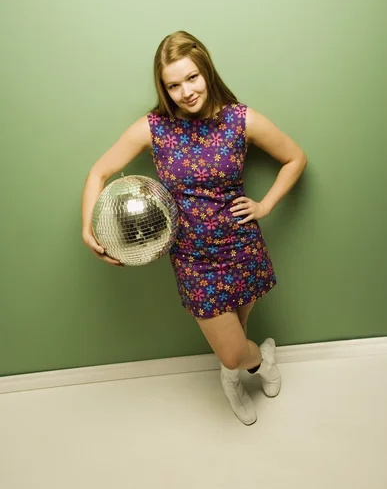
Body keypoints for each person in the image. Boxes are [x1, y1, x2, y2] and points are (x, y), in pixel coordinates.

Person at [82, 30, 307, 426]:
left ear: (206, 72)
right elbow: (99, 171)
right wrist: (89, 230)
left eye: (192, 78)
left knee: (239, 327)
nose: (185, 91)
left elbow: (295, 157)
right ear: (163, 88)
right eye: (173, 85)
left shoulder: (241, 119)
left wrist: (265, 204)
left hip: (241, 244)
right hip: (192, 258)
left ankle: (231, 378)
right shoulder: (153, 128)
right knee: (233, 350)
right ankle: (258, 364)